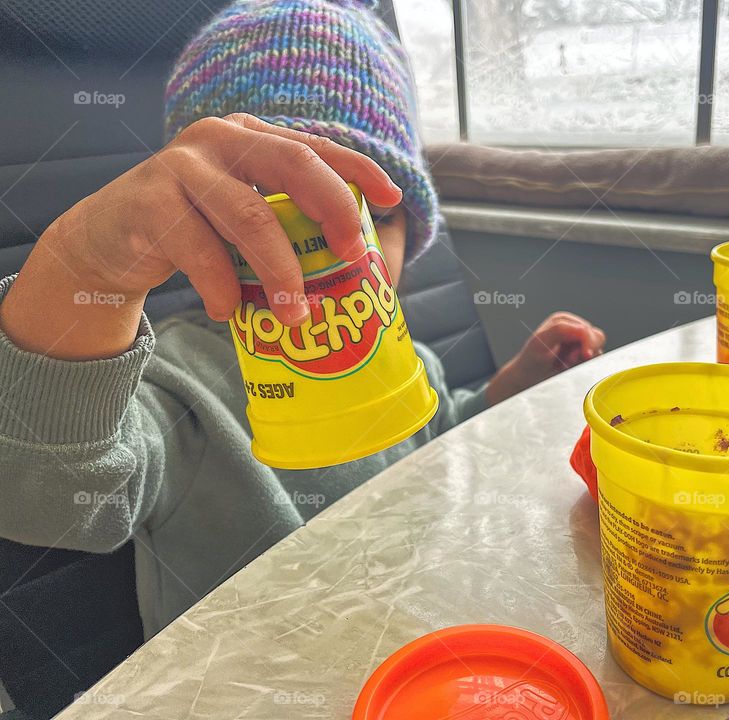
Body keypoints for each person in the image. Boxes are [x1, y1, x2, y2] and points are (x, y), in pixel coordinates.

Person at [0, 0, 605, 638]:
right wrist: (84, 271)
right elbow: (46, 500)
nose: (323, 249)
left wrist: (509, 384)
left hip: (419, 628)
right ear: (194, 223)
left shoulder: (403, 357)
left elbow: (437, 439)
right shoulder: (173, 383)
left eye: (364, 213)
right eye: (269, 206)